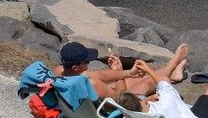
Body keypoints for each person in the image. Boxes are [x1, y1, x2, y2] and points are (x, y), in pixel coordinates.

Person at [54, 41, 189, 100]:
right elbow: (122, 99)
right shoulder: (93, 85)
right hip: (113, 111)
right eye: (86, 61)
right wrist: (119, 74)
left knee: (133, 78)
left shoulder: (59, 71)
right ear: (76, 67)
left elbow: (98, 74)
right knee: (146, 83)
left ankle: (173, 74)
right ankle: (172, 65)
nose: (89, 63)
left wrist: (128, 72)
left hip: (90, 107)